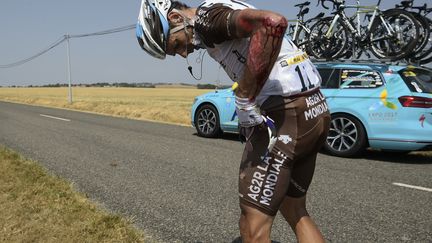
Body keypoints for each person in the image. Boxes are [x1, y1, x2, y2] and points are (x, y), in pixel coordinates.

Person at [136, 0, 330, 242]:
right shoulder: (215, 10)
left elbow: (273, 22)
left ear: (176, 18)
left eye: (175, 45)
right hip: (316, 110)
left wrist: (246, 98)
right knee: (295, 209)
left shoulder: (207, 20)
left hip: (287, 114)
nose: (183, 53)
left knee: (252, 226)